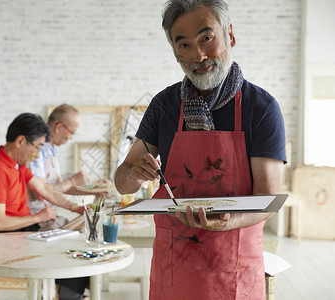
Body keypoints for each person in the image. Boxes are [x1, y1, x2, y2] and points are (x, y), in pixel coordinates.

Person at [114, 0, 287, 299]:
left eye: (206, 38)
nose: (199, 55)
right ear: (174, 52)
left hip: (233, 268)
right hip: (175, 266)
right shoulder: (164, 106)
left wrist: (226, 222)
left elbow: (267, 200)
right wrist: (136, 173)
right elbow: (121, 181)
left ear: (229, 35)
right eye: (184, 45)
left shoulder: (261, 108)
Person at [0, 113, 89, 300]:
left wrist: (74, 208)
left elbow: (45, 190)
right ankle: (74, 297)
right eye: (37, 147)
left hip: (23, 234)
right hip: (6, 242)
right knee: (69, 250)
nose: (38, 155)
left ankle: (75, 297)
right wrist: (39, 217)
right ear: (21, 141)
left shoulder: (17, 165)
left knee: (76, 244)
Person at [28, 104, 98, 229]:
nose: (71, 138)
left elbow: (60, 187)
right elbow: (44, 191)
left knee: (90, 221)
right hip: (36, 219)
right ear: (59, 127)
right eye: (72, 132)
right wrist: (74, 204)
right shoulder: (38, 150)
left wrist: (95, 191)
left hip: (50, 216)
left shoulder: (52, 149)